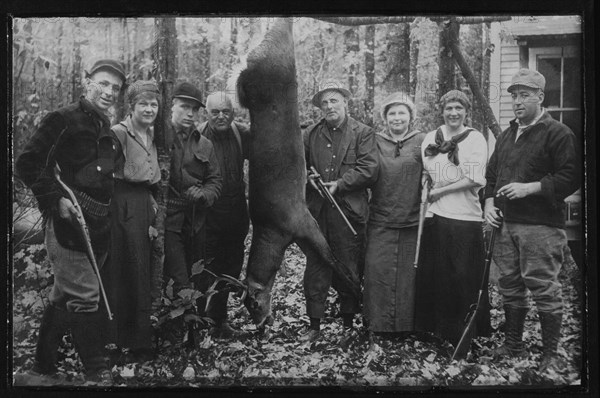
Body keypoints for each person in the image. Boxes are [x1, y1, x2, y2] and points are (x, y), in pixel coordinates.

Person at [16, 59, 126, 384]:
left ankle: (42, 368)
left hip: (99, 226)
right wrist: (55, 199)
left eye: (115, 88)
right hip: (67, 225)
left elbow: (103, 175)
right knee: (85, 297)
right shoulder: (61, 119)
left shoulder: (107, 130)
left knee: (63, 296)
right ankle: (96, 369)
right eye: (103, 83)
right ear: (86, 80)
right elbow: (28, 162)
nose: (108, 92)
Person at [484, 69, 579, 372]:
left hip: (540, 226)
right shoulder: (506, 135)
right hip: (505, 225)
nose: (517, 101)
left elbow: (572, 175)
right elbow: (490, 175)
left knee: (542, 285)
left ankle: (550, 354)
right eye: (513, 95)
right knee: (509, 285)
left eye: (524, 94)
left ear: (540, 96)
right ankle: (513, 344)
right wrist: (488, 202)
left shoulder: (558, 133)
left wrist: (531, 187)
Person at [303, 79, 378, 344]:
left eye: (334, 100)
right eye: (324, 102)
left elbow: (369, 169)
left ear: (346, 102)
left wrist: (341, 184)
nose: (329, 106)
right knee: (316, 265)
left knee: (349, 266)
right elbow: (299, 167)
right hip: (318, 214)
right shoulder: (310, 134)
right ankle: (314, 324)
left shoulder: (363, 133)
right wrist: (308, 180)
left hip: (350, 213)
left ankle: (348, 323)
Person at [414, 89, 491, 349]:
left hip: (464, 218)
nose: (454, 113)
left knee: (462, 278)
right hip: (436, 217)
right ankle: (440, 332)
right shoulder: (430, 139)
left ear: (466, 112)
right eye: (449, 108)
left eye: (459, 108)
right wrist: (428, 187)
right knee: (438, 278)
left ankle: (466, 335)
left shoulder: (475, 139)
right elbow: (427, 173)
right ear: (442, 110)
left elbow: (474, 179)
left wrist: (440, 191)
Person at [104, 80, 161, 362]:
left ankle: (140, 340)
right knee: (125, 271)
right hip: (123, 205)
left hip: (144, 202)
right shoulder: (119, 133)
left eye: (153, 104)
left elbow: (151, 179)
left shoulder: (150, 134)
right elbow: (102, 172)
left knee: (143, 272)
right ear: (131, 106)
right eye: (143, 104)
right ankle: (119, 342)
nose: (149, 109)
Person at [363, 93, 426, 340]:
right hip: (381, 219)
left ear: (410, 116)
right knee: (377, 271)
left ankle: (407, 327)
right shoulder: (374, 141)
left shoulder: (422, 140)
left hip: (413, 220)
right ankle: (378, 327)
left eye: (402, 112)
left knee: (408, 277)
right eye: (392, 113)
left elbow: (438, 168)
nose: (397, 118)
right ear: (385, 118)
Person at [197, 91, 250, 339]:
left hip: (237, 214)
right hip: (208, 216)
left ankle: (220, 322)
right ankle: (200, 323)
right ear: (206, 113)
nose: (220, 116)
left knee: (231, 267)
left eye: (225, 111)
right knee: (207, 268)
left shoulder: (241, 133)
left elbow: (269, 151)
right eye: (215, 112)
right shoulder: (196, 137)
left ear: (233, 113)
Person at [163, 82, 222, 299]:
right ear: (172, 106)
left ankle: (190, 328)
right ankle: (176, 330)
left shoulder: (204, 144)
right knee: (179, 280)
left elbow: (215, 181)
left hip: (195, 222)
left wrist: (204, 194)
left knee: (195, 277)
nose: (190, 114)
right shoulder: (158, 136)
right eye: (184, 107)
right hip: (166, 221)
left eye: (195, 109)